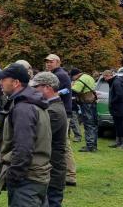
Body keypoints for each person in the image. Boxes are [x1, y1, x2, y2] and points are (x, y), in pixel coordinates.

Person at [0, 63, 51, 206]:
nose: (0, 82)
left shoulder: (23, 108)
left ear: (15, 83)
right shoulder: (31, 102)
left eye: (4, 79)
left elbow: (23, 147)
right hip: (35, 176)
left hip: (28, 180)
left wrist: (14, 176)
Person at [31, 72, 67, 207]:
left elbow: (37, 137)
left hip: (53, 170)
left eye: (36, 87)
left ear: (47, 87)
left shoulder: (54, 111)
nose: (33, 91)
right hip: (51, 169)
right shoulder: (52, 107)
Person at [45, 54, 76, 186]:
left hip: (62, 111)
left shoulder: (61, 74)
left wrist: (54, 95)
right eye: (47, 62)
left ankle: (70, 175)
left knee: (63, 144)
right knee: (61, 142)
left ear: (58, 62)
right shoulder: (56, 73)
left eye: (51, 62)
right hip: (60, 110)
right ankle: (66, 173)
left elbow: (67, 90)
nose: (48, 64)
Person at [70, 68, 98, 152]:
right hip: (92, 102)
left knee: (88, 124)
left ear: (75, 75)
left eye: (72, 77)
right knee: (93, 124)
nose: (72, 79)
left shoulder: (80, 80)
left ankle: (89, 146)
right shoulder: (88, 77)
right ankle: (94, 145)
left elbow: (74, 91)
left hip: (86, 104)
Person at [104, 70, 123, 149]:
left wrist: (112, 102)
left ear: (109, 76)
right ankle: (118, 142)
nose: (105, 79)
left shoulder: (116, 82)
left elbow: (119, 95)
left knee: (120, 125)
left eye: (105, 77)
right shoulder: (113, 82)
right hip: (116, 107)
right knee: (117, 125)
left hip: (119, 107)